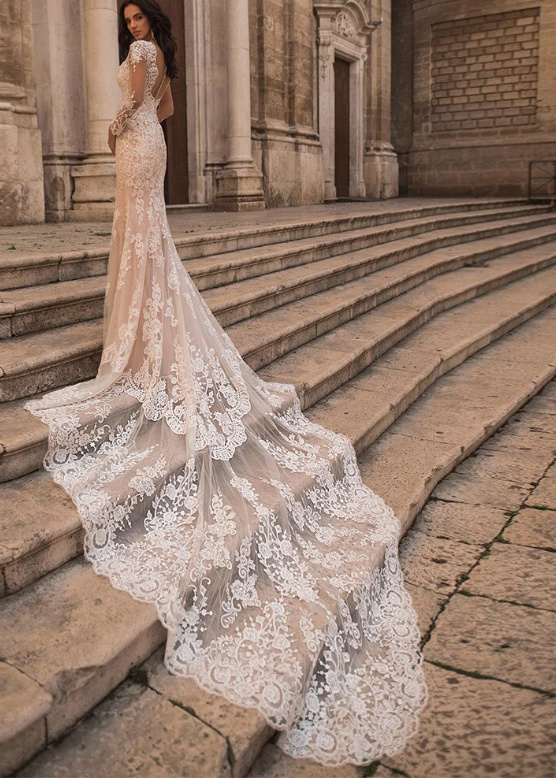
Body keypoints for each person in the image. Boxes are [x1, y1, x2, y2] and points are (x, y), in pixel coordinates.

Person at [25, 0, 428, 764]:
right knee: (148, 237)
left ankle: (138, 336)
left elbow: (138, 104)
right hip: (154, 148)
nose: (131, 25)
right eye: (128, 18)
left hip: (134, 145)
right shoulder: (164, 60)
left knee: (137, 236)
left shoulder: (139, 60)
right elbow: (167, 110)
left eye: (136, 18)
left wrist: (113, 127)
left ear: (147, 25)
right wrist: (140, 122)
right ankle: (145, 326)